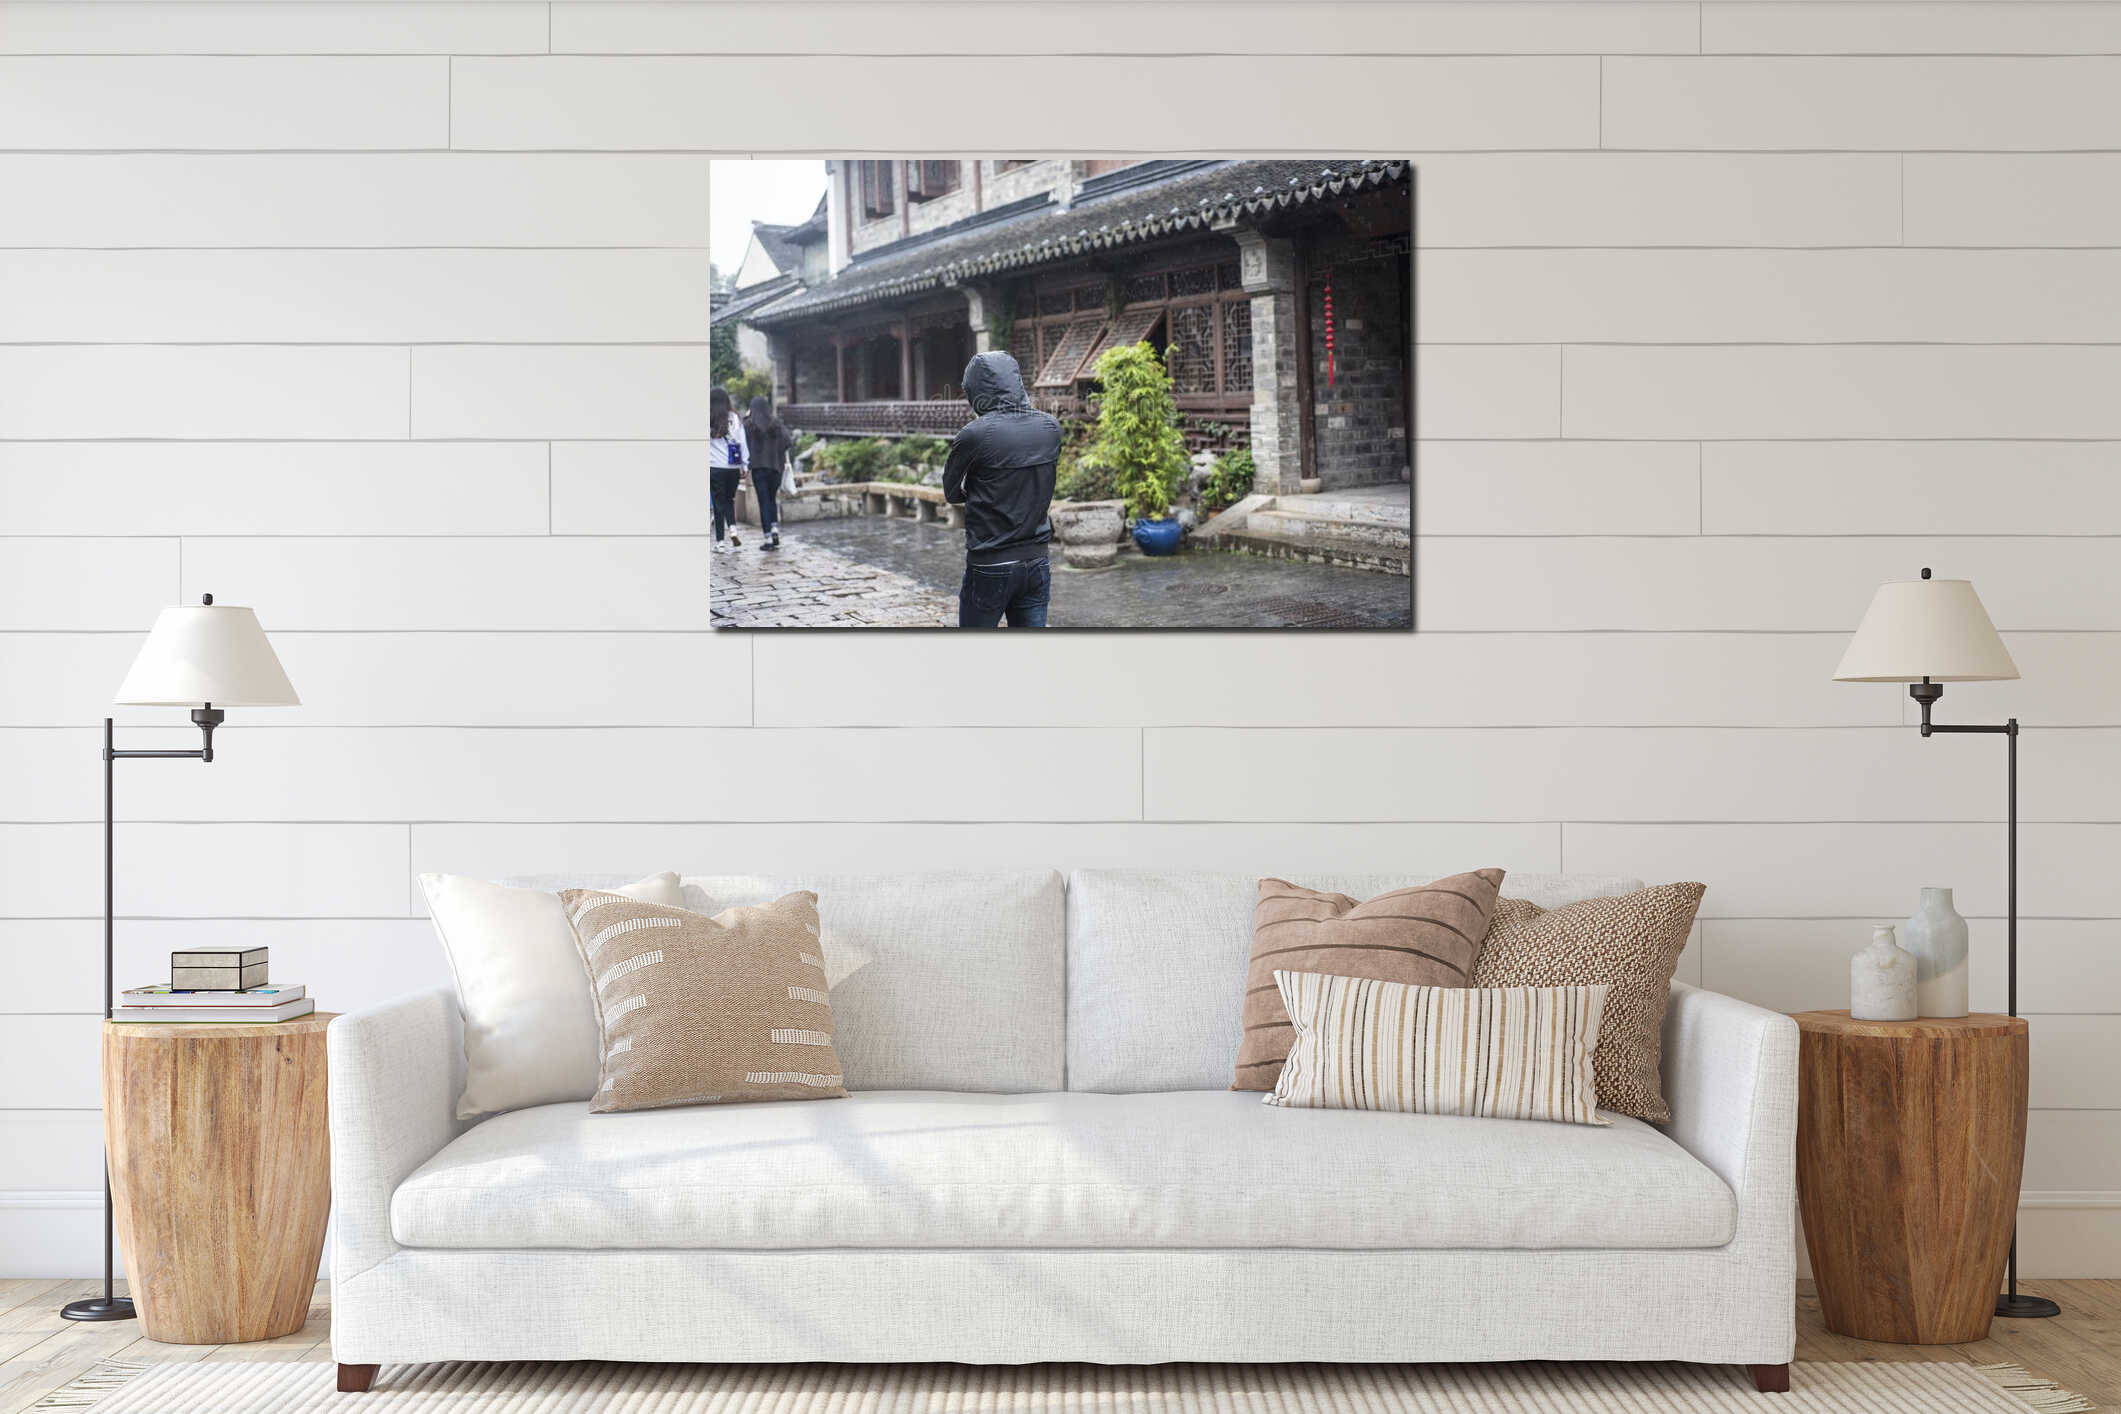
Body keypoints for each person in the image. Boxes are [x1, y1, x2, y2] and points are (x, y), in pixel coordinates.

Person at [942, 352, 1062, 628]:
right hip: (1037, 560)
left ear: (975, 390)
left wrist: (973, 494)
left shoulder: (974, 434)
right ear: (1016, 382)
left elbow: (951, 492)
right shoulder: (1050, 427)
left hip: (990, 562)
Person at [743, 394, 794, 552]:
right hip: (775, 469)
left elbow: (741, 444)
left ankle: (768, 539)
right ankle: (774, 529)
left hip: (759, 469)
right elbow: (788, 442)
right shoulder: (776, 424)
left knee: (763, 502)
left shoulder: (749, 425)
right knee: (771, 500)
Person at [707, 386, 750, 548]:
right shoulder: (735, 418)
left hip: (714, 467)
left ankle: (720, 543)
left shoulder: (707, 417)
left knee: (718, 504)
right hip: (733, 467)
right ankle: (732, 529)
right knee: (729, 500)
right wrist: (745, 464)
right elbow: (742, 442)